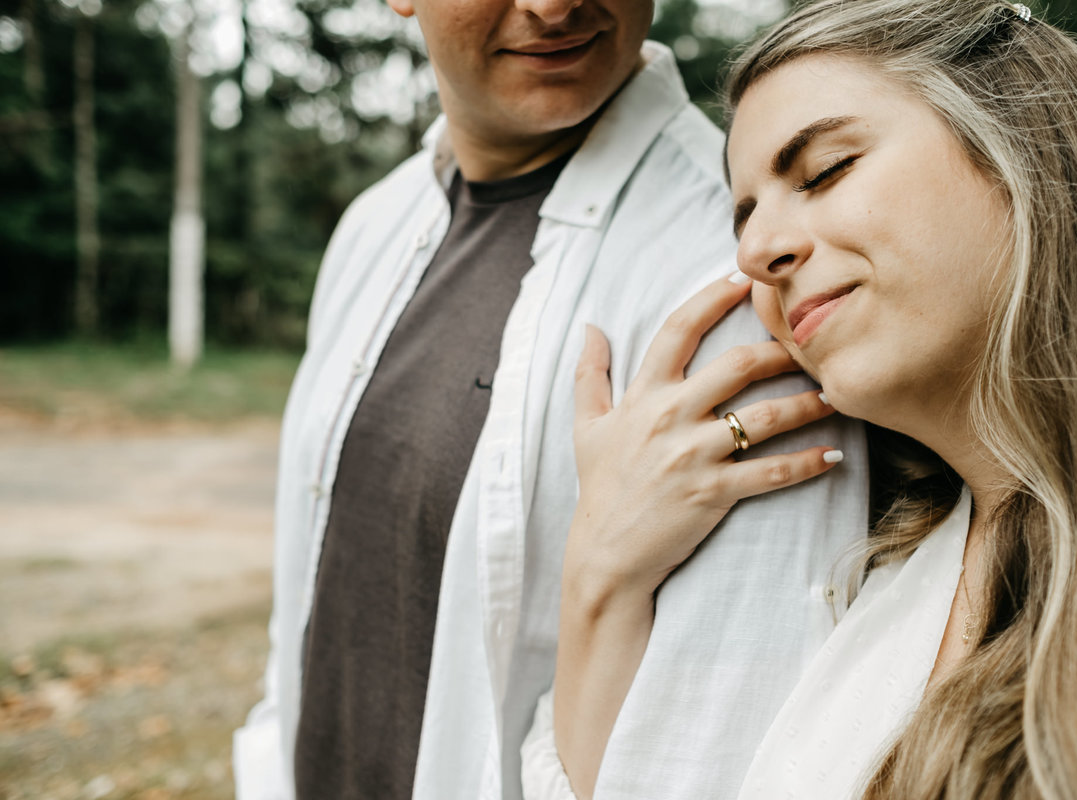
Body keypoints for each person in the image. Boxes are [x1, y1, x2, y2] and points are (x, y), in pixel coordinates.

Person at [522, 0, 1077, 798]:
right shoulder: (874, 579)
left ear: (1022, 146)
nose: (754, 251)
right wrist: (601, 576)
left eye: (823, 171)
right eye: (744, 215)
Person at [232, 1, 868, 798]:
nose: (556, 4)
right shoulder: (375, 226)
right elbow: (312, 589)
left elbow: (718, 746)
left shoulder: (736, 275)